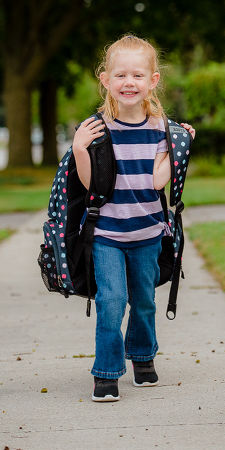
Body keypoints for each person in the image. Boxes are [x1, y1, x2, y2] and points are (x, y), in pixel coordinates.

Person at [73, 35, 195, 402]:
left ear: (153, 81)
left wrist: (179, 149)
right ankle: (107, 372)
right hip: (107, 234)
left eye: (138, 75)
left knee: (143, 300)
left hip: (148, 232)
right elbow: (90, 183)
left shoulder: (161, 128)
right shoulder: (96, 128)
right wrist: (80, 147)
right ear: (105, 79)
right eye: (121, 75)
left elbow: (157, 181)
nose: (130, 82)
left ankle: (142, 357)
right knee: (112, 301)